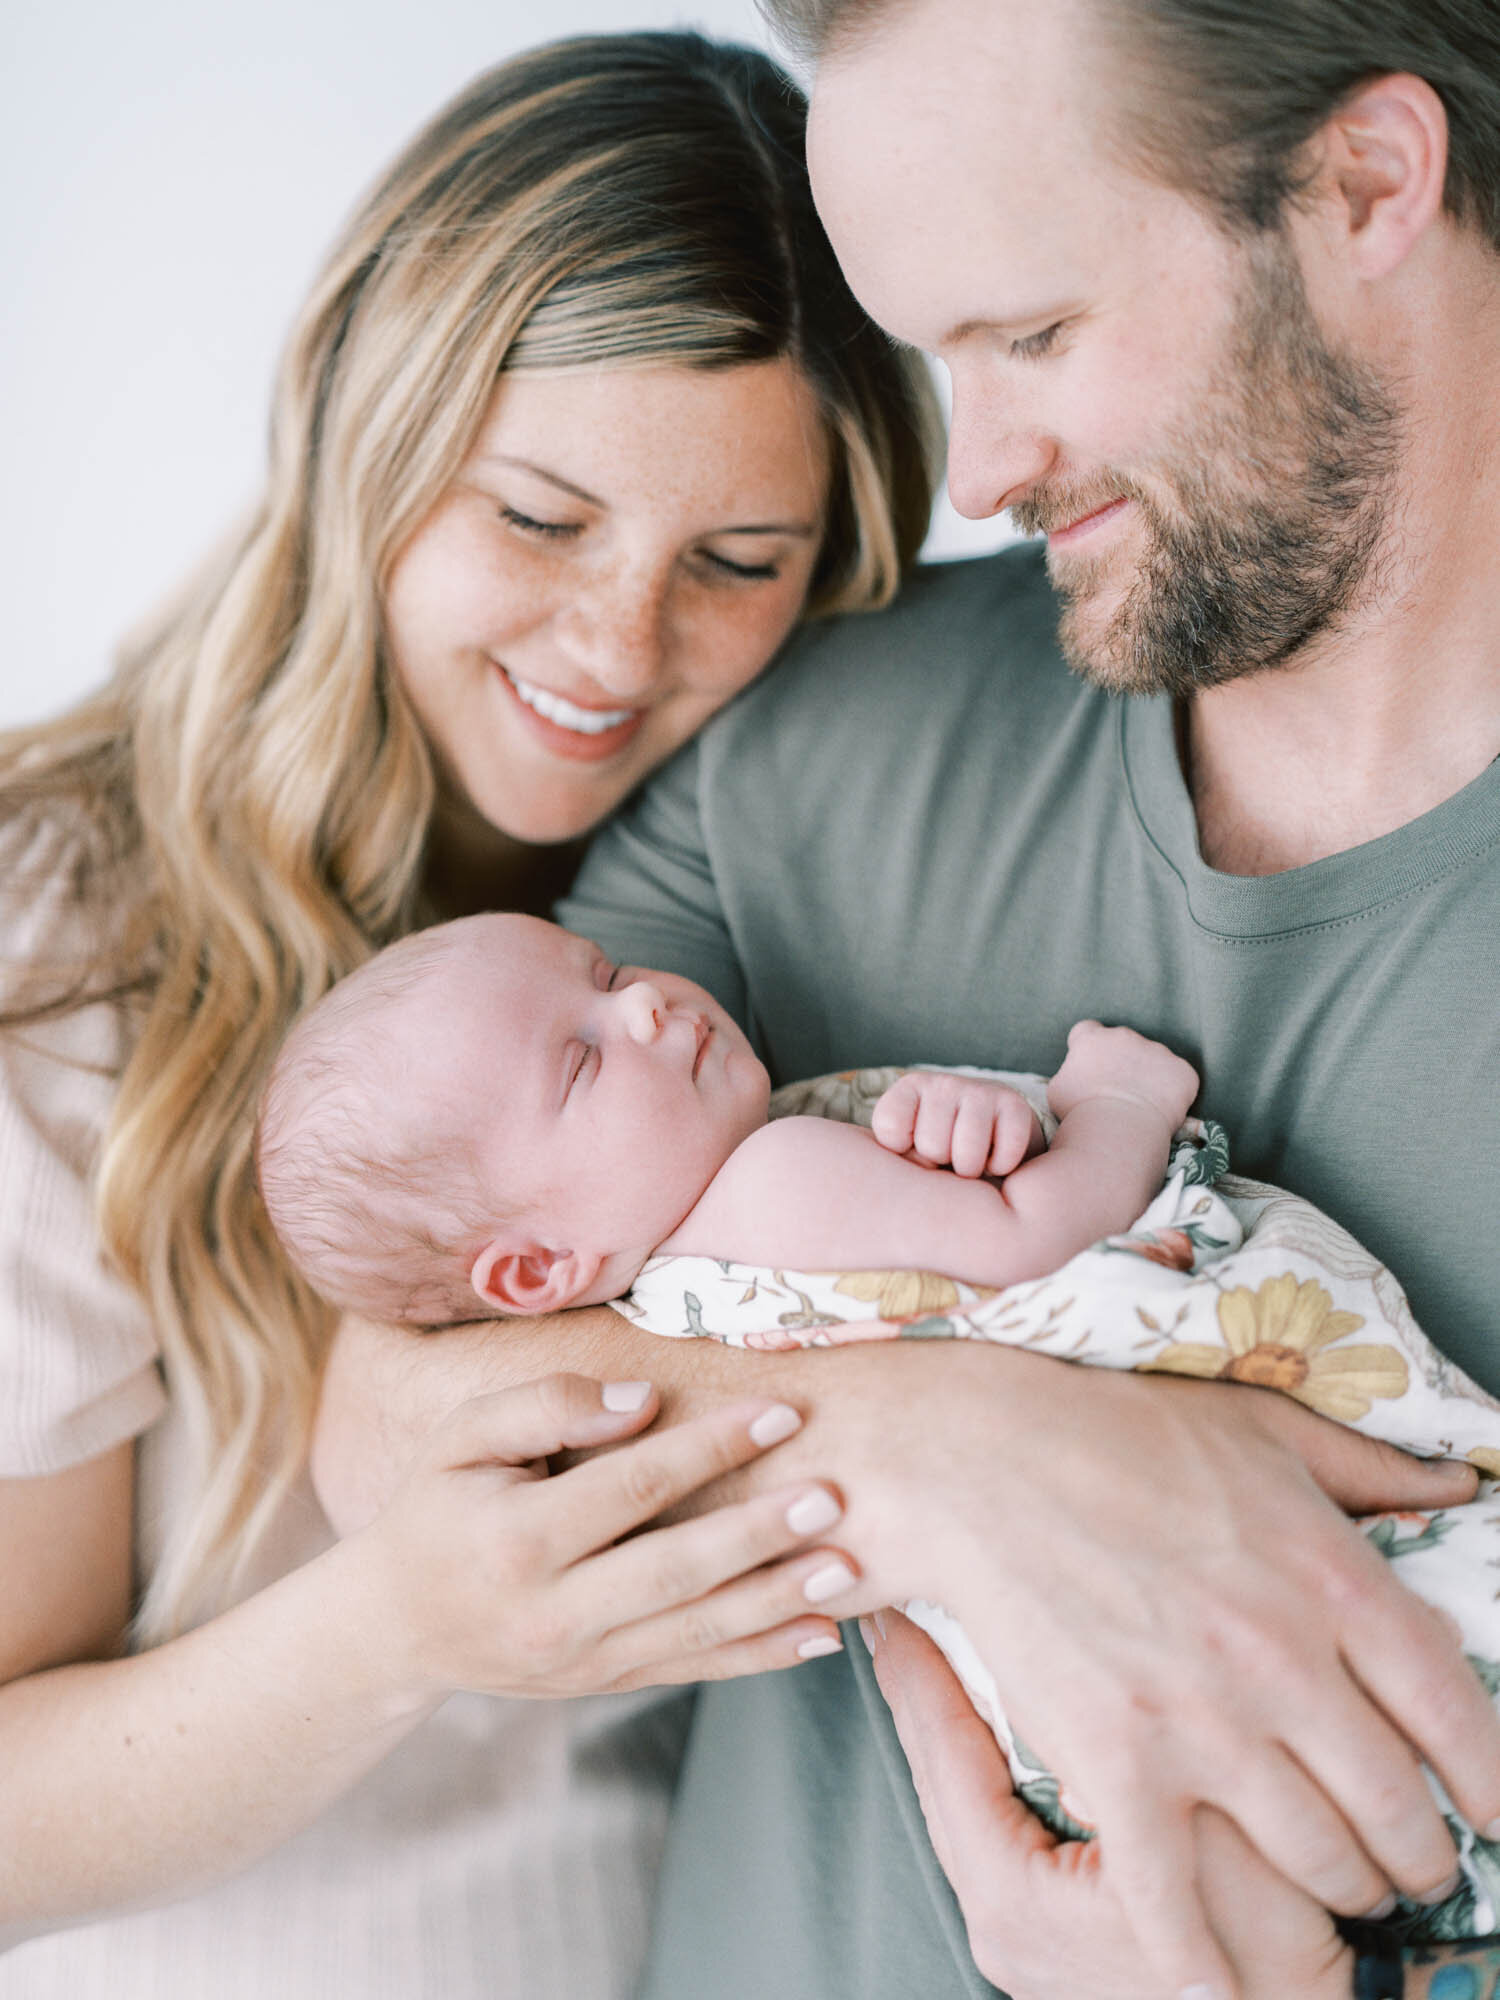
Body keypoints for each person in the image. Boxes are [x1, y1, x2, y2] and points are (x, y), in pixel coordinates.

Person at [309, 2, 1500, 1997]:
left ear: (1369, 185)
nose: (982, 466)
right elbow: (403, 1404)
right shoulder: (799, 757)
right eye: (938, 354)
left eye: (1030, 334)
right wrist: (965, 1458)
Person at [0, 31, 942, 1997]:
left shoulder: (795, 921)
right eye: (537, 517)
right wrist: (403, 1626)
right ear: (367, 422)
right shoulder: (63, 950)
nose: (616, 647)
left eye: (738, 563)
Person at [253, 910, 1195, 1323]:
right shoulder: (777, 1181)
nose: (643, 1006)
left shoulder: (691, 1272)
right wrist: (1118, 1105)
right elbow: (1038, 1243)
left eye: (606, 971)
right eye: (582, 1061)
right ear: (539, 1267)